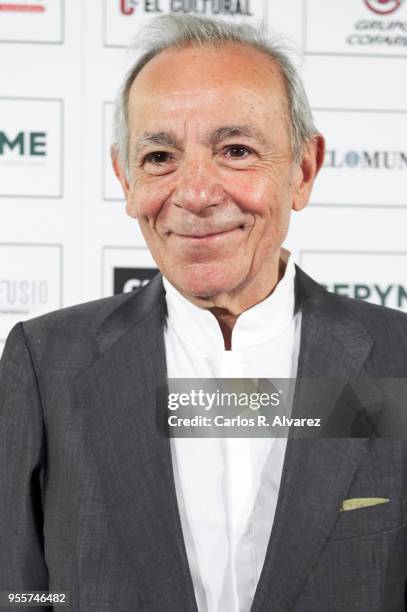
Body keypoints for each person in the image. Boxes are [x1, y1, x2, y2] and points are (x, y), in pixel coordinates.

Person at [1, 13, 407, 612]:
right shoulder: (44, 363)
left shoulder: (397, 359)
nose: (195, 194)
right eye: (160, 156)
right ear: (125, 177)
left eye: (236, 150)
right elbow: (21, 592)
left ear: (303, 169)